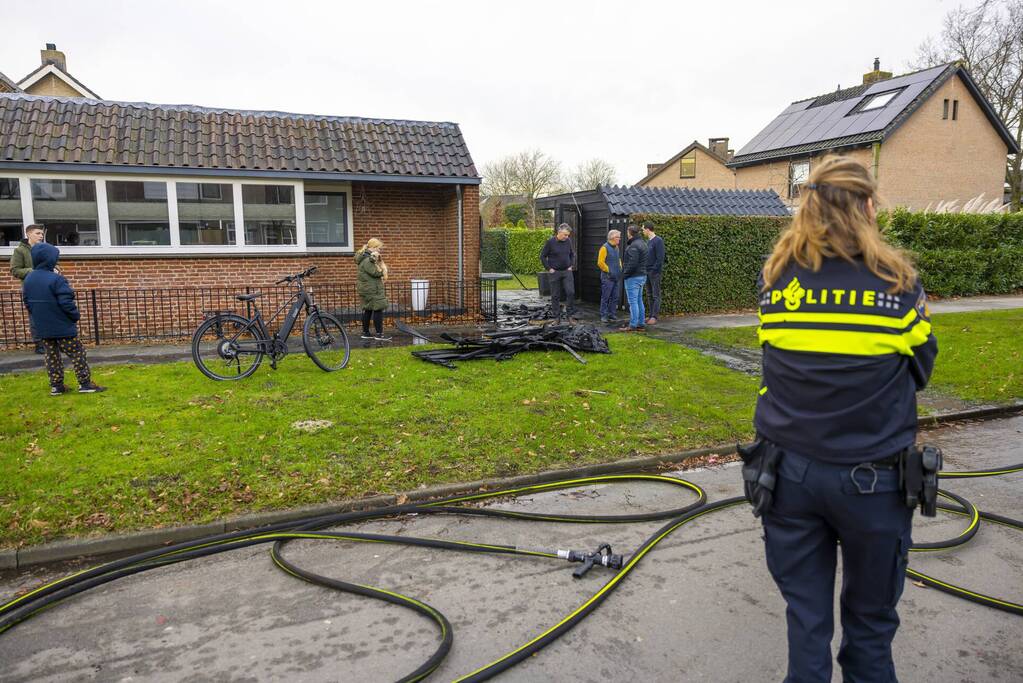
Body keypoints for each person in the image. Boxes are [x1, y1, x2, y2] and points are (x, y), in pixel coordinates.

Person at [752, 156, 937, 682]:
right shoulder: (898, 287)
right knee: (870, 628)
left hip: (787, 477)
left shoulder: (776, 282)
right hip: (872, 482)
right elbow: (921, 370)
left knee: (806, 622)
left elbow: (777, 362)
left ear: (806, 208)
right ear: (868, 207)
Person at [22, 242, 106, 395]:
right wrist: (75, 316)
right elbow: (66, 302)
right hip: (62, 326)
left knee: (51, 356)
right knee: (77, 353)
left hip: (43, 327)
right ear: (50, 259)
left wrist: (38, 317)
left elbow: (27, 302)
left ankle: (56, 386)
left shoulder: (29, 279)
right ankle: (85, 383)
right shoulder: (56, 280)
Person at [10, 224, 47, 354]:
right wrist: (33, 271)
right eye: (38, 233)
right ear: (29, 234)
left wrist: (56, 268)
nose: (41, 236)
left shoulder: (44, 249)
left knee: (50, 314)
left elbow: (53, 263)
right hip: (32, 288)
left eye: (42, 234)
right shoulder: (20, 251)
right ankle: (39, 344)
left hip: (47, 286)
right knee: (35, 317)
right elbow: (15, 270)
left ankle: (51, 342)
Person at [355, 238, 391, 341]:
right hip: (372, 289)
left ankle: (366, 333)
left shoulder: (364, 258)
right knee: (378, 310)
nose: (379, 250)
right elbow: (375, 273)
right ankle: (379, 334)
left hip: (367, 289)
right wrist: (383, 270)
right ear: (373, 248)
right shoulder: (368, 260)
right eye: (378, 248)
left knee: (368, 310)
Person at [540, 223, 576, 323]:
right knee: (555, 295)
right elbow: (542, 256)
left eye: (568, 235)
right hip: (555, 272)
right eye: (565, 235)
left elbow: (572, 254)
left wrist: (571, 265)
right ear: (559, 232)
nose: (567, 237)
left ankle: (570, 316)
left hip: (567, 272)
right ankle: (556, 317)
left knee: (570, 292)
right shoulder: (550, 242)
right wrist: (549, 268)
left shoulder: (568, 241)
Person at [619, 224, 648, 331]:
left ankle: (633, 325)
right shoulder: (643, 243)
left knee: (633, 302)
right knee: (639, 300)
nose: (627, 234)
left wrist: (625, 274)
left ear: (630, 233)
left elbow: (633, 263)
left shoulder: (634, 246)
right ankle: (641, 323)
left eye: (627, 232)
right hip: (642, 275)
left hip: (633, 277)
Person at [596, 229, 622, 323]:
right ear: (612, 238)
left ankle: (612, 314)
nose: (619, 239)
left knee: (615, 297)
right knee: (605, 297)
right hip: (607, 277)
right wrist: (609, 270)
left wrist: (620, 267)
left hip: (616, 276)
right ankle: (603, 315)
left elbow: (618, 259)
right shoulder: (604, 248)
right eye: (618, 237)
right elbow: (600, 262)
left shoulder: (617, 247)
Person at [642, 221, 665, 324]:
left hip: (654, 273)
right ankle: (651, 315)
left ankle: (654, 317)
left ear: (648, 229)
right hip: (646, 272)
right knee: (649, 294)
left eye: (643, 229)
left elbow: (660, 258)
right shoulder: (648, 241)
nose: (643, 231)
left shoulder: (658, 241)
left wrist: (653, 270)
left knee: (656, 295)